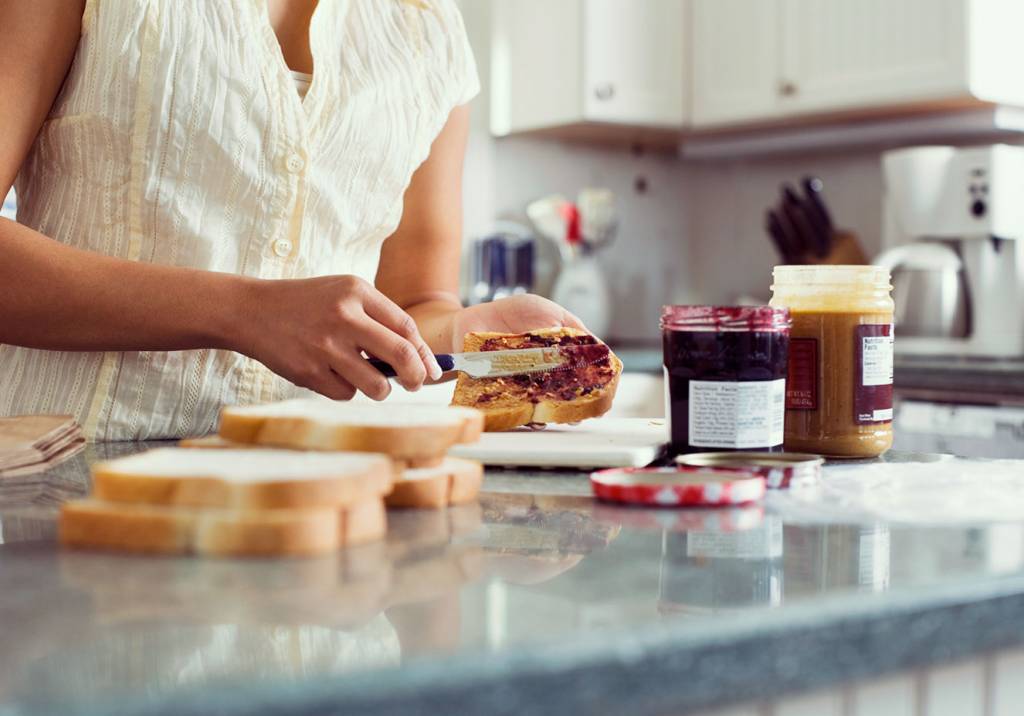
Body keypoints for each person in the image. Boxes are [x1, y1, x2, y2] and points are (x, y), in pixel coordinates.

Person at [0, 0, 584, 440]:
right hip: (61, 479)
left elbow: (416, 307)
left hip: (314, 495)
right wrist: (244, 312)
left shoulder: (428, 27)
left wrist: (466, 333)